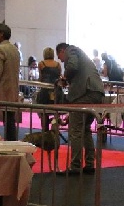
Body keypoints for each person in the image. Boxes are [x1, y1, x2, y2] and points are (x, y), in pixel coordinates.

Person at [55, 42, 105, 175]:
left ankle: (75, 166)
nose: (60, 59)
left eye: (59, 56)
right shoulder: (81, 54)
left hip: (85, 93)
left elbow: (72, 66)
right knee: (85, 130)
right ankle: (89, 164)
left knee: (76, 130)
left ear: (62, 50)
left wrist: (65, 77)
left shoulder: (71, 50)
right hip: (96, 93)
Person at [36, 47, 63, 129]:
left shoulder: (41, 64)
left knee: (43, 112)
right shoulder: (58, 65)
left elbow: (40, 78)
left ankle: (45, 132)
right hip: (56, 91)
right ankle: (55, 131)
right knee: (56, 112)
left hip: (45, 91)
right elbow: (59, 77)